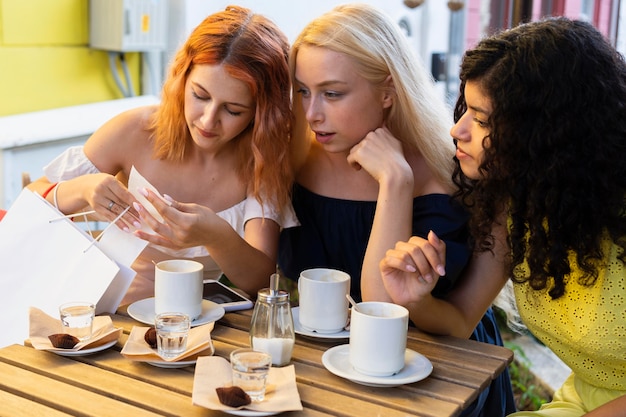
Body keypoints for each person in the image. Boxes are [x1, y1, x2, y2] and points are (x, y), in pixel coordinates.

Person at [380, 17, 626, 416]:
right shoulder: (518, 207)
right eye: (465, 110)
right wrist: (418, 299)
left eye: (480, 119)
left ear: (548, 132)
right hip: (585, 401)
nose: (456, 131)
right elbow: (460, 319)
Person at [278, 4, 515, 416]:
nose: (312, 112)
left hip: (445, 381)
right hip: (327, 372)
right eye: (303, 90)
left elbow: (382, 304)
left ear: (388, 90)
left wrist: (396, 181)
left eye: (332, 93)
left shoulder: (463, 169)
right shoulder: (294, 161)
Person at [26, 5, 298, 306]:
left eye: (233, 110)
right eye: (200, 95)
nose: (208, 121)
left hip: (198, 326)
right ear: (182, 79)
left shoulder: (261, 160)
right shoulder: (135, 130)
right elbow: (29, 206)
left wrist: (217, 235)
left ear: (260, 113)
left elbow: (258, 280)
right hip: (100, 316)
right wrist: (83, 189)